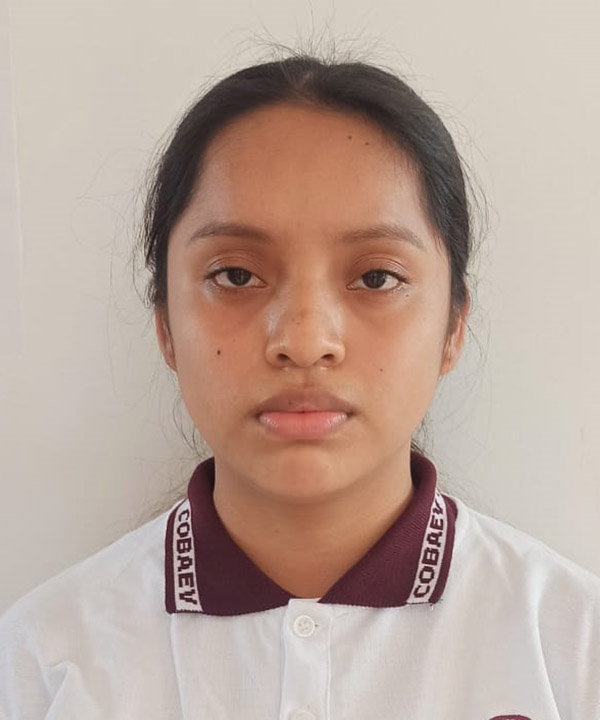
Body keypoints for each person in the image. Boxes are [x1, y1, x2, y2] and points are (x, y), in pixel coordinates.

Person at [1, 51, 599, 720]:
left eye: (376, 278)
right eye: (235, 275)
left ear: (454, 324)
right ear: (165, 324)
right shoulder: (43, 663)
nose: (306, 340)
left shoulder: (573, 651)